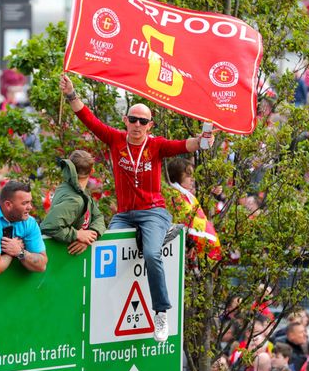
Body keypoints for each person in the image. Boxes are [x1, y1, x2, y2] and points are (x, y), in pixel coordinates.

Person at [59, 73, 212, 342]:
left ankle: (161, 312)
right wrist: (71, 93)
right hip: (124, 216)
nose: (137, 125)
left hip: (153, 212)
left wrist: (205, 137)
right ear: (125, 121)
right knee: (104, 252)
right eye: (133, 119)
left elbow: (187, 145)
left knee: (152, 255)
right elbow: (88, 119)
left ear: (150, 125)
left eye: (143, 121)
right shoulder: (116, 139)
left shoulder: (156, 145)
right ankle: (95, 313)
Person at [40, 151, 105, 256]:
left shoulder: (80, 191)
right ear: (92, 171)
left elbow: (98, 216)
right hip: (63, 257)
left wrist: (90, 235)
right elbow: (49, 226)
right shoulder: (74, 200)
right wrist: (77, 234)